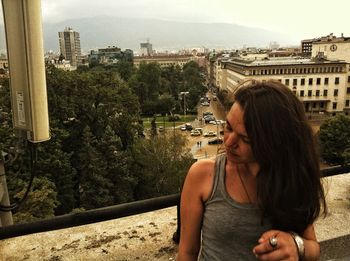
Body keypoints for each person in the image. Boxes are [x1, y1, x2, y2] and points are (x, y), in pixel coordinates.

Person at [177, 79, 327, 261]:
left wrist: (296, 245)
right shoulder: (203, 174)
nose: (229, 142)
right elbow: (187, 253)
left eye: (246, 139)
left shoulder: (291, 179)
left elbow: (314, 248)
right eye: (228, 127)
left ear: (273, 142)